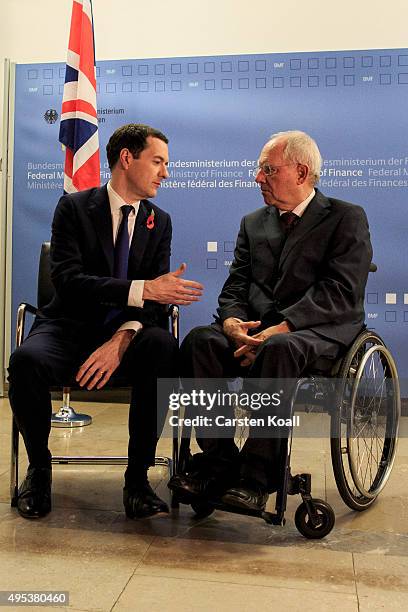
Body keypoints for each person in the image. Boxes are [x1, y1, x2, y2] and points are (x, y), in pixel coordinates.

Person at [169, 130, 372, 512]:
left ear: (301, 171)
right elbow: (236, 286)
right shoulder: (253, 222)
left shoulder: (346, 218)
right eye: (260, 170)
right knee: (200, 340)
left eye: (267, 169)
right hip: (258, 330)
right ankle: (219, 458)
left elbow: (340, 292)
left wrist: (281, 328)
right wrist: (231, 323)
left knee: (279, 348)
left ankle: (258, 475)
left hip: (316, 332)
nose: (258, 178)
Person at [8, 123, 203, 520]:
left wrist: (121, 340)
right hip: (67, 328)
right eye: (158, 161)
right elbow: (69, 280)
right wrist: (142, 289)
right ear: (127, 159)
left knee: (163, 347)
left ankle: (137, 482)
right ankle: (39, 471)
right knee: (26, 361)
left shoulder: (158, 221)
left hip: (123, 335)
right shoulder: (74, 208)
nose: (165, 173)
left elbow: (152, 306)